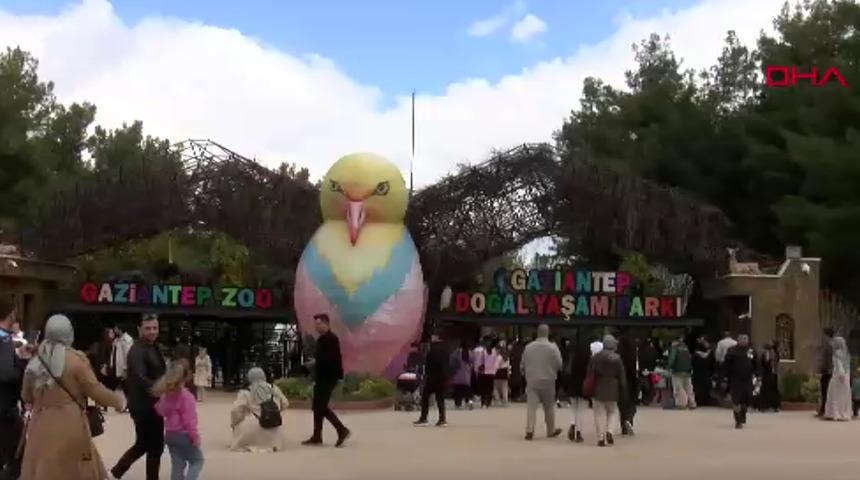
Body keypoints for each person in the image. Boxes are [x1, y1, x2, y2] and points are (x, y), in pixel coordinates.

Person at [20, 314, 123, 480]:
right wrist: (118, 401)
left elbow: (26, 396)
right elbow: (95, 390)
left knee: (43, 470)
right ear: (69, 333)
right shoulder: (76, 360)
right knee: (74, 470)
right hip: (70, 425)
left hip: (40, 426)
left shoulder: (36, 359)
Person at [111, 313, 167, 480]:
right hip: (145, 406)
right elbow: (141, 378)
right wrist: (163, 388)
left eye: (155, 328)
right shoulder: (137, 351)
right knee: (155, 446)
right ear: (139, 329)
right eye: (148, 328)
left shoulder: (152, 346)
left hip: (149, 403)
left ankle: (117, 471)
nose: (152, 332)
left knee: (143, 443)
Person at [302, 314, 350, 447]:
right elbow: (324, 359)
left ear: (326, 324)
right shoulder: (323, 339)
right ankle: (317, 436)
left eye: (318, 324)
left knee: (321, 406)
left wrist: (314, 363)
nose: (316, 327)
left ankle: (341, 430)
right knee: (318, 407)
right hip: (323, 377)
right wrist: (315, 363)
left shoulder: (330, 339)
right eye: (315, 324)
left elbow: (329, 360)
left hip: (329, 377)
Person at [153, 359, 204, 480]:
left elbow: (160, 411)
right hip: (184, 434)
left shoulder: (166, 395)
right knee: (197, 461)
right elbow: (189, 420)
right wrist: (195, 436)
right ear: (187, 376)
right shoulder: (187, 397)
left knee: (177, 465)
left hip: (170, 434)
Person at [0, 296, 28, 480]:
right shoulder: (3, 339)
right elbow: (6, 373)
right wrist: (23, 366)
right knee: (18, 456)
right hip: (4, 409)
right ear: (11, 314)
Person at [230, 367, 289, 452]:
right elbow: (285, 403)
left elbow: (235, 411)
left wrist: (234, 423)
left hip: (251, 425)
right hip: (272, 424)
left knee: (242, 426)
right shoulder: (273, 388)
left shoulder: (245, 392)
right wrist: (275, 411)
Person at [520, 324, 563, 441]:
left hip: (532, 379)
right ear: (548, 333)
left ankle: (529, 430)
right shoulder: (553, 348)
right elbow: (560, 364)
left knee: (531, 407)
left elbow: (522, 364)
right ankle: (550, 430)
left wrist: (526, 374)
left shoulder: (528, 347)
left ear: (537, 333)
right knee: (549, 407)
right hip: (548, 379)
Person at [589, 335, 627, 447]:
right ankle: (610, 431)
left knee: (599, 414)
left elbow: (590, 374)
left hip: (598, 387)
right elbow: (622, 376)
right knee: (612, 412)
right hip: (613, 388)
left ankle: (600, 437)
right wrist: (623, 388)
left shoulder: (596, 357)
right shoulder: (617, 358)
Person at [414, 332, 451, 426]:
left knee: (425, 397)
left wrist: (426, 375)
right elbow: (447, 365)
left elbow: (429, 364)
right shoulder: (445, 350)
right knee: (440, 399)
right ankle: (442, 419)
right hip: (441, 378)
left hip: (432, 377)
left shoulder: (433, 350)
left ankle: (424, 418)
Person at [723, 334, 757, 429]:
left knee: (746, 400)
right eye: (741, 338)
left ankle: (742, 414)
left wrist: (758, 376)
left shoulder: (751, 351)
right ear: (738, 340)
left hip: (748, 379)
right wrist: (725, 377)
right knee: (736, 401)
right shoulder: (732, 351)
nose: (743, 340)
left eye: (745, 338)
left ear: (748, 340)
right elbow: (726, 365)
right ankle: (738, 421)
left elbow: (756, 364)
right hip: (735, 380)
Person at [565, 340, 591, 443]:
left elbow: (566, 373)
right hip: (583, 387)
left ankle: (573, 424)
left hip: (572, 386)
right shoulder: (589, 360)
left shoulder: (572, 359)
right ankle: (578, 431)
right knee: (581, 411)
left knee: (574, 409)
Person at [823, 335, 852, 421]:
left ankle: (836, 413)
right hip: (846, 377)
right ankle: (845, 413)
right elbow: (848, 366)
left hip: (838, 377)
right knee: (844, 396)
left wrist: (841, 374)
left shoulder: (836, 354)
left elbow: (839, 365)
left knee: (836, 395)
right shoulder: (846, 354)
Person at [617, 334, 638, 435]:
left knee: (622, 404)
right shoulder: (633, 355)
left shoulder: (618, 356)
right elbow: (635, 370)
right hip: (631, 380)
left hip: (620, 381)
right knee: (631, 403)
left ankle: (623, 425)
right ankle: (629, 419)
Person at [667, 337, 696, 409]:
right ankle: (692, 403)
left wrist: (668, 367)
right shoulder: (686, 349)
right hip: (687, 371)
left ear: (675, 342)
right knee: (689, 388)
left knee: (679, 388)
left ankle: (681, 404)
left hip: (677, 371)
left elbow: (672, 360)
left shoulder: (675, 349)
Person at [110, 325, 134, 407]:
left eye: (115, 328)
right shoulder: (116, 340)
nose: (114, 330)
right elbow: (113, 354)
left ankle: (129, 404)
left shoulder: (127, 340)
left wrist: (126, 368)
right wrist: (111, 364)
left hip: (124, 368)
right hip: (116, 367)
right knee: (122, 387)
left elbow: (128, 354)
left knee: (126, 387)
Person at [756, 341, 780, 412]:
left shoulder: (773, 353)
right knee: (767, 389)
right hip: (769, 374)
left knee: (770, 390)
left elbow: (769, 363)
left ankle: (772, 406)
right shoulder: (768, 353)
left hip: (770, 374)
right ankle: (766, 406)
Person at [816, 327, 835, 418]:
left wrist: (821, 368)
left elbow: (826, 359)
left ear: (826, 335)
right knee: (827, 391)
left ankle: (823, 410)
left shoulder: (828, 345)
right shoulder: (833, 344)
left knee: (825, 391)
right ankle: (824, 409)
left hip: (827, 371)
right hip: (831, 370)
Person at [450, 341, 473, 410]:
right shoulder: (469, 353)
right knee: (468, 391)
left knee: (458, 391)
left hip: (458, 374)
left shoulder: (457, 352)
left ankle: (458, 404)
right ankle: (469, 403)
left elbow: (451, 361)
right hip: (466, 374)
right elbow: (472, 361)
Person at [692, 336, 713, 407]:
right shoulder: (710, 353)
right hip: (707, 372)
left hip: (698, 373)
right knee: (706, 388)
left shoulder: (696, 353)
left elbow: (692, 363)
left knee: (698, 388)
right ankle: (706, 401)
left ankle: (699, 401)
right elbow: (713, 363)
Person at [477, 339, 499, 408]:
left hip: (489, 373)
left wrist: (494, 371)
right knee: (485, 389)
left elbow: (496, 363)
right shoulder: (484, 352)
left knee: (488, 389)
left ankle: (487, 402)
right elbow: (479, 362)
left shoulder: (493, 353)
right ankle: (484, 402)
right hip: (486, 373)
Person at [493, 340, 511, 406]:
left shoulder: (499, 357)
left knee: (495, 388)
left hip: (498, 373)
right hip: (504, 373)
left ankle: (497, 400)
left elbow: (496, 366)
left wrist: (493, 373)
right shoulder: (507, 357)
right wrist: (509, 373)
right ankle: (505, 401)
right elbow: (509, 366)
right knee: (504, 388)